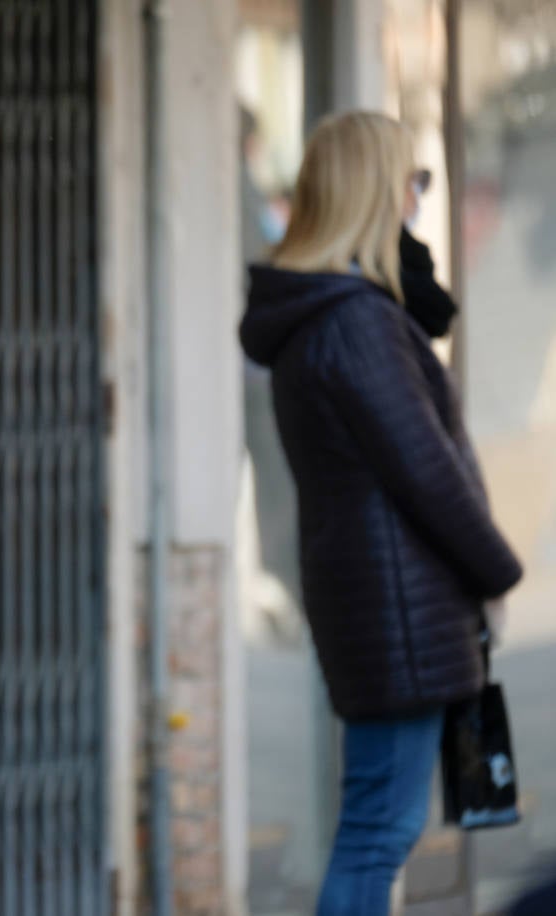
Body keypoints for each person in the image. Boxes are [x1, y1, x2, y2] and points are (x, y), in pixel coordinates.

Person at [238, 111, 522, 916]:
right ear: (373, 191)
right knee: (377, 834)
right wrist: (498, 568)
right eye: (412, 178)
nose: (417, 197)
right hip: (397, 609)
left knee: (377, 826)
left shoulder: (327, 315)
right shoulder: (356, 321)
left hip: (376, 601)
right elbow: (426, 471)